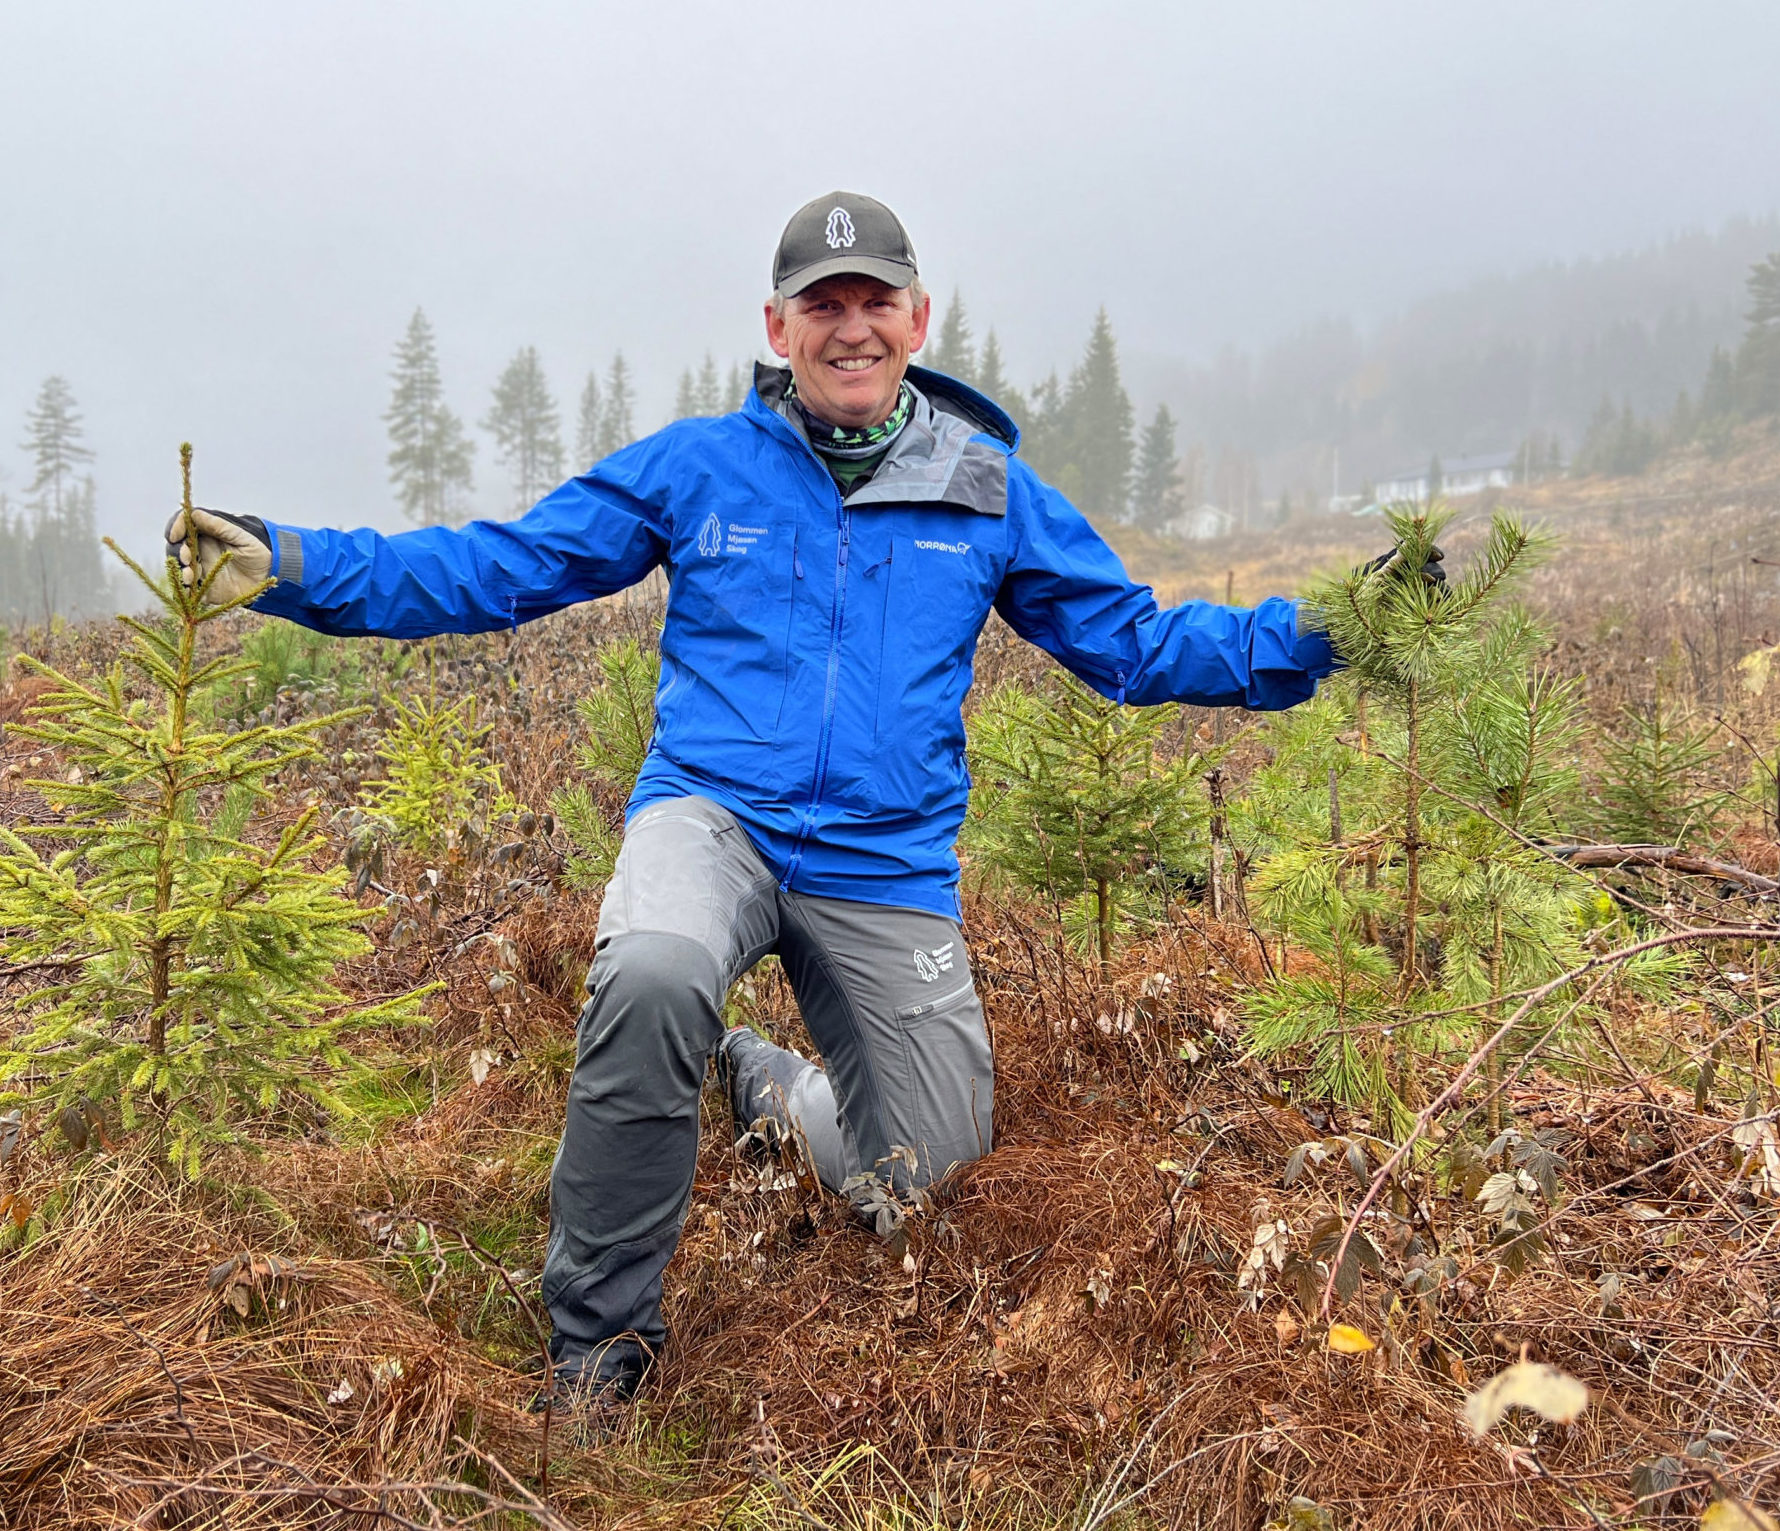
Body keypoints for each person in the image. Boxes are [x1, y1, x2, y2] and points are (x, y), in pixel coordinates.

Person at [164, 191, 1405, 1411]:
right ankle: (598, 1351)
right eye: (824, 304)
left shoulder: (987, 492)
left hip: (880, 861)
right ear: (777, 326)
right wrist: (293, 562)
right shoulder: (700, 469)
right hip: (712, 816)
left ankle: (765, 1083)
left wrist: (1332, 628)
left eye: (875, 302)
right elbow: (501, 565)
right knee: (650, 973)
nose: (850, 326)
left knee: (925, 1176)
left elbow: (1136, 646)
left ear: (919, 320)